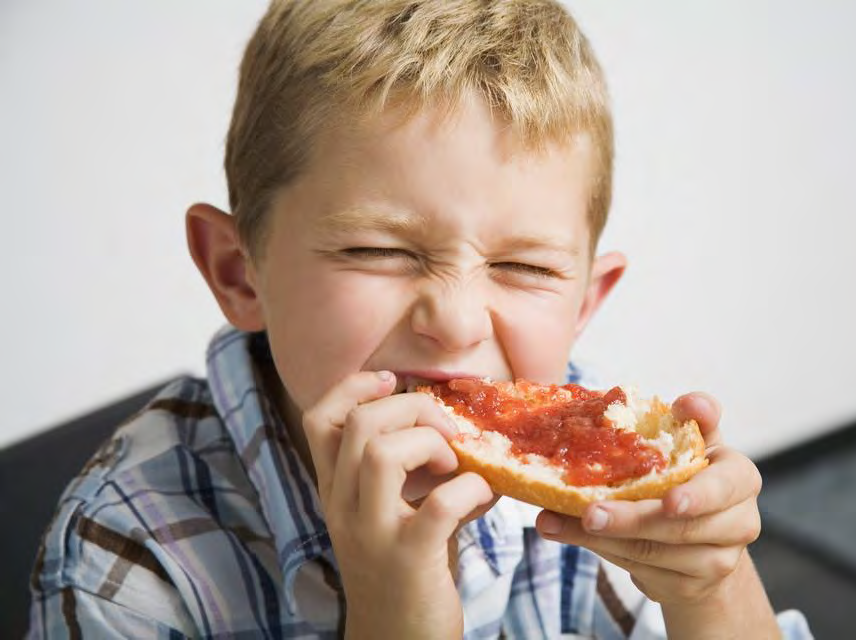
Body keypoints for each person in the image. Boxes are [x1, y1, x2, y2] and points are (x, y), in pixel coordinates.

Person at [29, 1, 812, 637]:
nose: (458, 321)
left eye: (525, 267)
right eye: (379, 250)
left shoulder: (593, 481)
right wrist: (395, 616)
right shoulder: (126, 557)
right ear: (241, 272)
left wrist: (710, 585)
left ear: (583, 304)